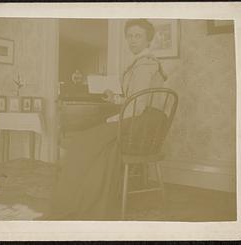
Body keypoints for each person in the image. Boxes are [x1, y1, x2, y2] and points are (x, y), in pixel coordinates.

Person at [50, 19, 167, 220]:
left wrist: (112, 118)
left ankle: (80, 202)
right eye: (129, 36)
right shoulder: (140, 63)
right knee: (97, 144)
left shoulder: (146, 65)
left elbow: (138, 107)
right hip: (142, 120)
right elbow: (135, 99)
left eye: (138, 35)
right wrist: (115, 98)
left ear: (148, 39)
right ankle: (85, 200)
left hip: (143, 124)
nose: (132, 40)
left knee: (84, 141)